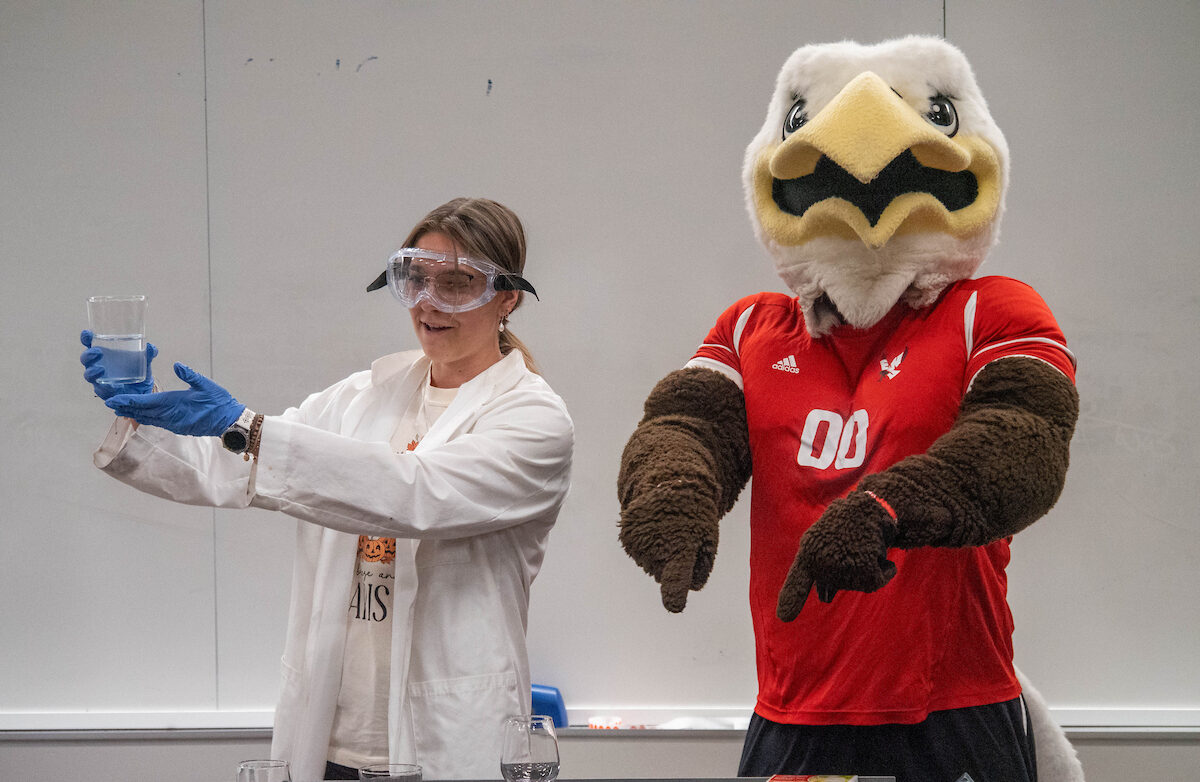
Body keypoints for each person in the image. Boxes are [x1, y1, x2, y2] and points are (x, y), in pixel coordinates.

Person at [80, 197, 574, 781]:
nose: (428, 304)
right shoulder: (362, 396)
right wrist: (143, 419)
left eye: (458, 284)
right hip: (334, 739)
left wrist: (247, 427)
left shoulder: (533, 419)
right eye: (415, 280)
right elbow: (241, 467)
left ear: (508, 297)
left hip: (446, 743)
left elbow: (414, 495)